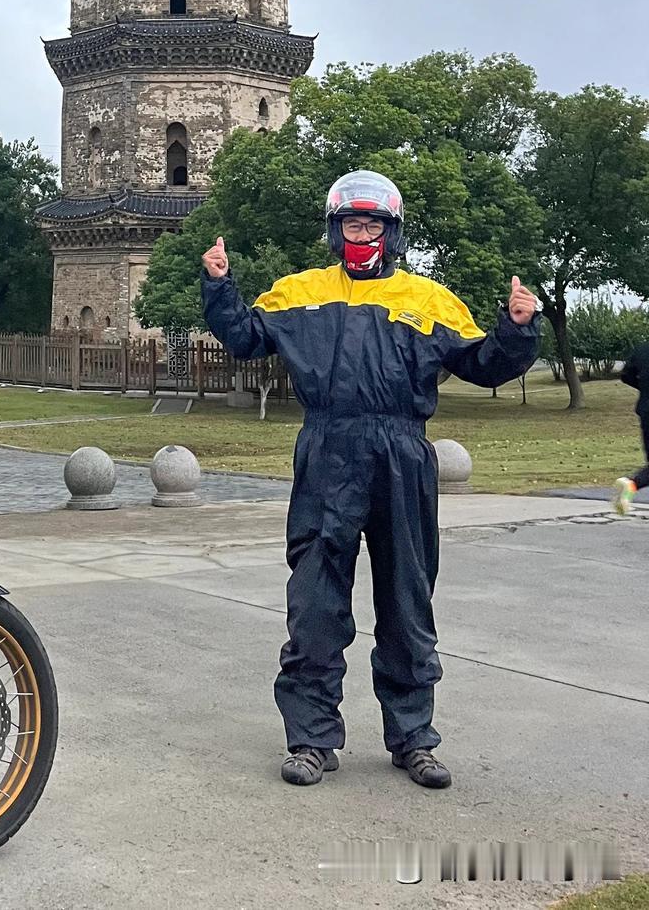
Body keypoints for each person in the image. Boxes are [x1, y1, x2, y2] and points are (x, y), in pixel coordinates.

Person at [200, 170, 539, 791]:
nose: (364, 234)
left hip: (401, 454)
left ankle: (413, 738)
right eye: (354, 223)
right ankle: (311, 739)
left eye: (374, 224)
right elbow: (247, 338)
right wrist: (221, 287)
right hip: (328, 451)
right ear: (336, 230)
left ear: (393, 232)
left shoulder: (429, 299)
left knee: (407, 600)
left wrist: (517, 328)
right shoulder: (299, 293)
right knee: (315, 602)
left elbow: (482, 364)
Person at [612, 333, 649, 514]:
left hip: (646, 411)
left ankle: (631, 485)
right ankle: (631, 484)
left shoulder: (642, 350)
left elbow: (626, 376)